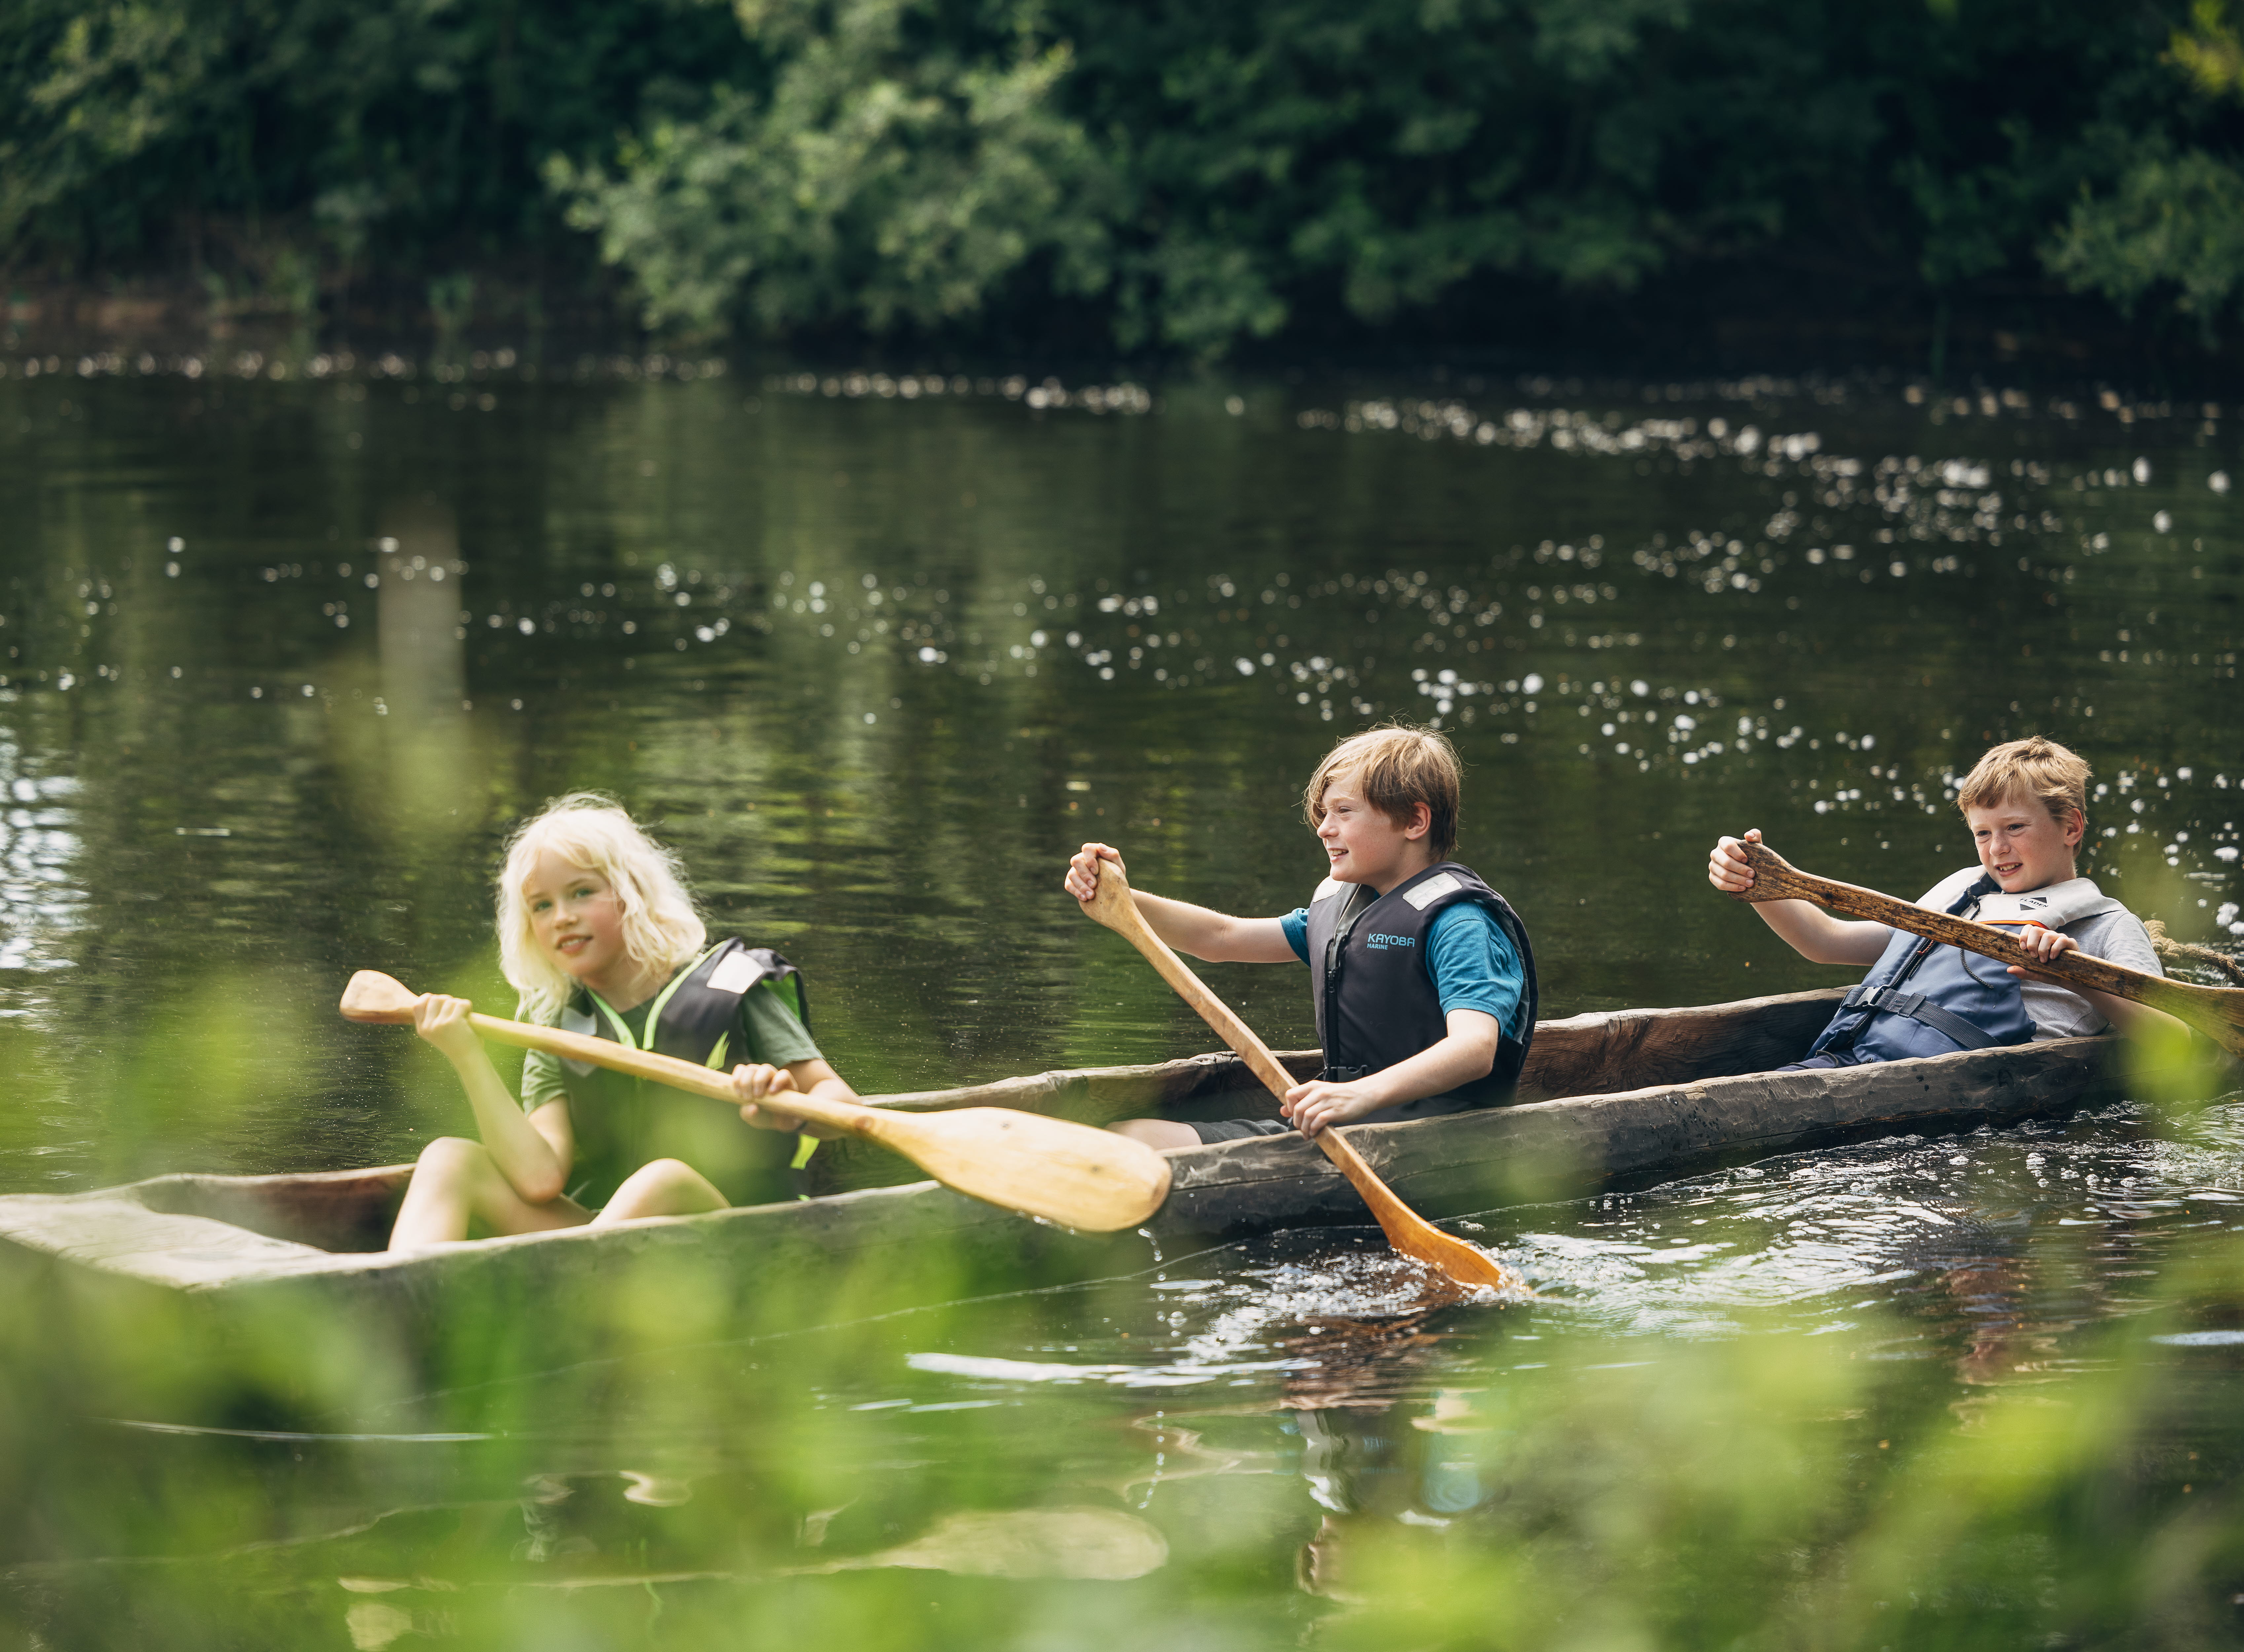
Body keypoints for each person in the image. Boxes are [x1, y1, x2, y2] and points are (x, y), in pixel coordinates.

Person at [386, 793, 857, 1248]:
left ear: (632, 893)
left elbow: (843, 1107)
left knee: (662, 1180)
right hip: (609, 1238)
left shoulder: (734, 986)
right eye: (541, 905)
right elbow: (540, 1177)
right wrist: (468, 1056)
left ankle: (561, 1308)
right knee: (449, 1159)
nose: (562, 918)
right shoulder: (554, 1022)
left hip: (742, 1237)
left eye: (582, 892)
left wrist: (788, 1106)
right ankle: (402, 1298)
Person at [1063, 724, 1537, 1146]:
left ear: (1415, 821)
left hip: (1434, 1139)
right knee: (1128, 1136)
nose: (1323, 829)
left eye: (1343, 812)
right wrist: (1124, 900)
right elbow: (1221, 938)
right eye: (1322, 813)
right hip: (1342, 1126)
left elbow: (1474, 1049)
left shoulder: (1460, 923)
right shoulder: (1346, 909)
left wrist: (1358, 1093)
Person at [1707, 735, 2182, 1066]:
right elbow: (1824, 940)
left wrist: (2078, 977)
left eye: (2014, 828)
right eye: (1982, 833)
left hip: (1968, 1089)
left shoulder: (2107, 926)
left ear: (2071, 827)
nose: (1997, 848)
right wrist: (1759, 886)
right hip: (1852, 1061)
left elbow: (2176, 1043)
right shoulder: (1962, 892)